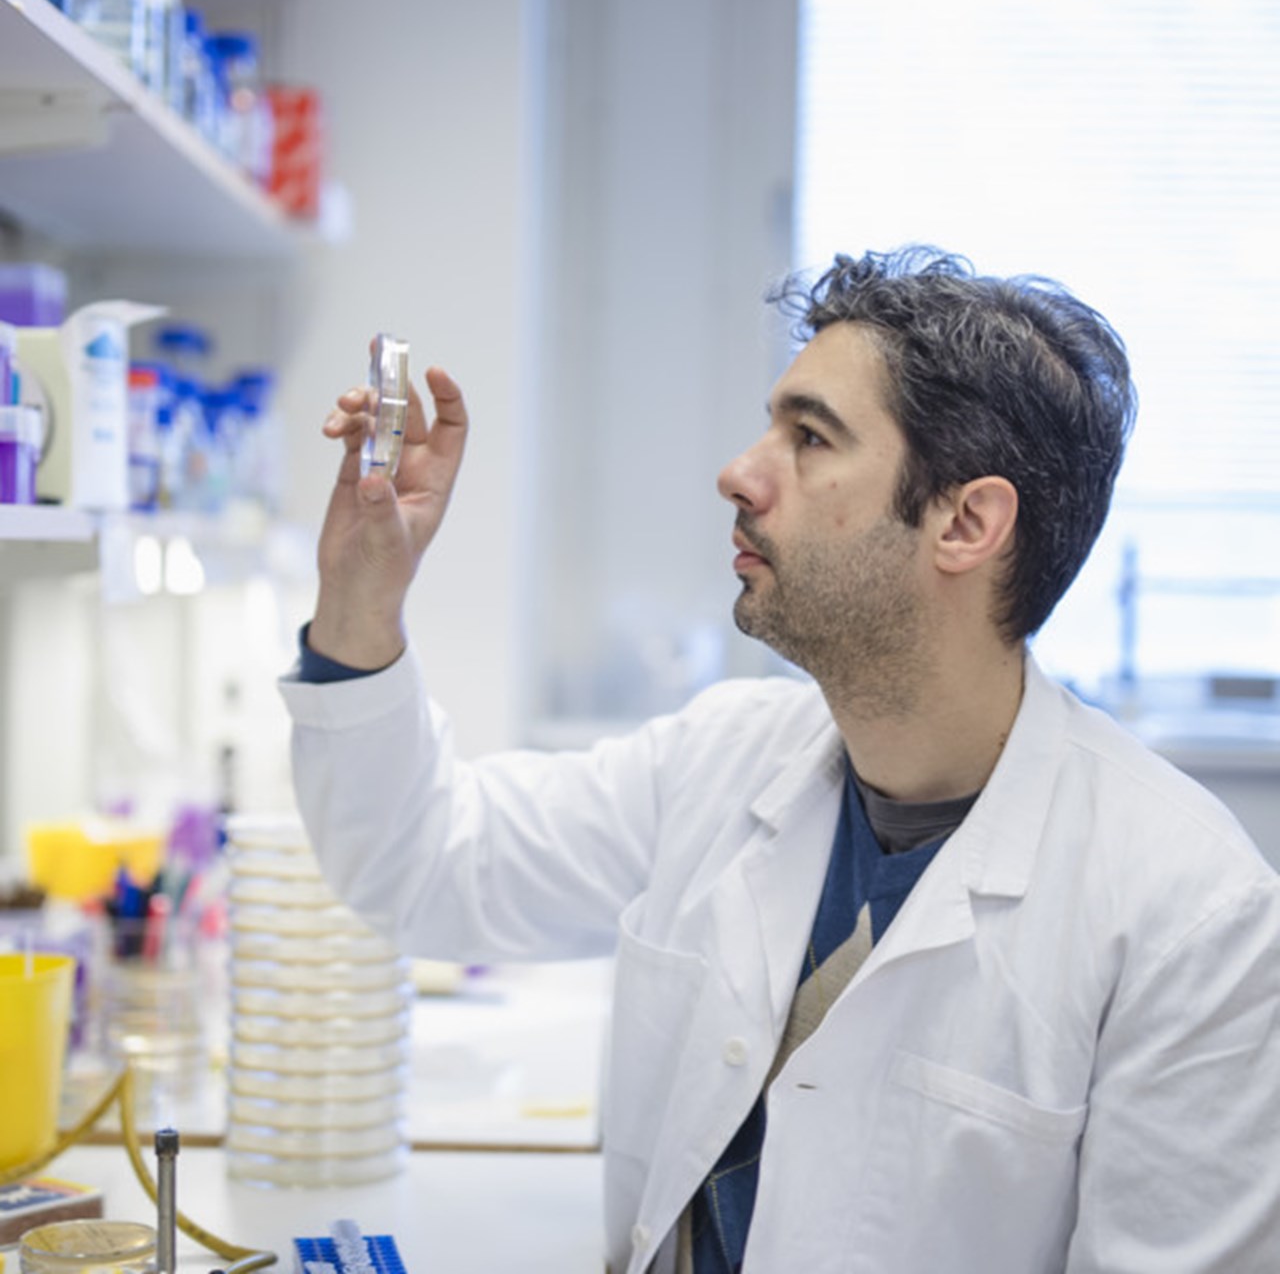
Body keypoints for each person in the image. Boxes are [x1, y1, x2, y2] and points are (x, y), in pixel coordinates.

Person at [279, 247, 1280, 1274]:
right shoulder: (722, 756)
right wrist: (360, 597)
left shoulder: (1189, 917)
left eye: (808, 437)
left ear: (965, 521)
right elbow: (422, 863)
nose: (739, 471)